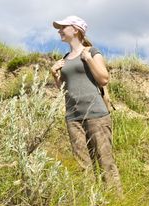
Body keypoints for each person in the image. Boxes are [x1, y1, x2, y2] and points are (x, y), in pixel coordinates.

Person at [50, 15, 122, 193]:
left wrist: (88, 59)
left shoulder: (92, 51)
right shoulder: (65, 58)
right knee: (83, 167)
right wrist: (55, 75)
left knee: (105, 163)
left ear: (75, 30)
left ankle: (116, 200)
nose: (59, 30)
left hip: (96, 115)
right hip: (73, 118)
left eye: (63, 27)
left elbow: (104, 79)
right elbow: (64, 90)